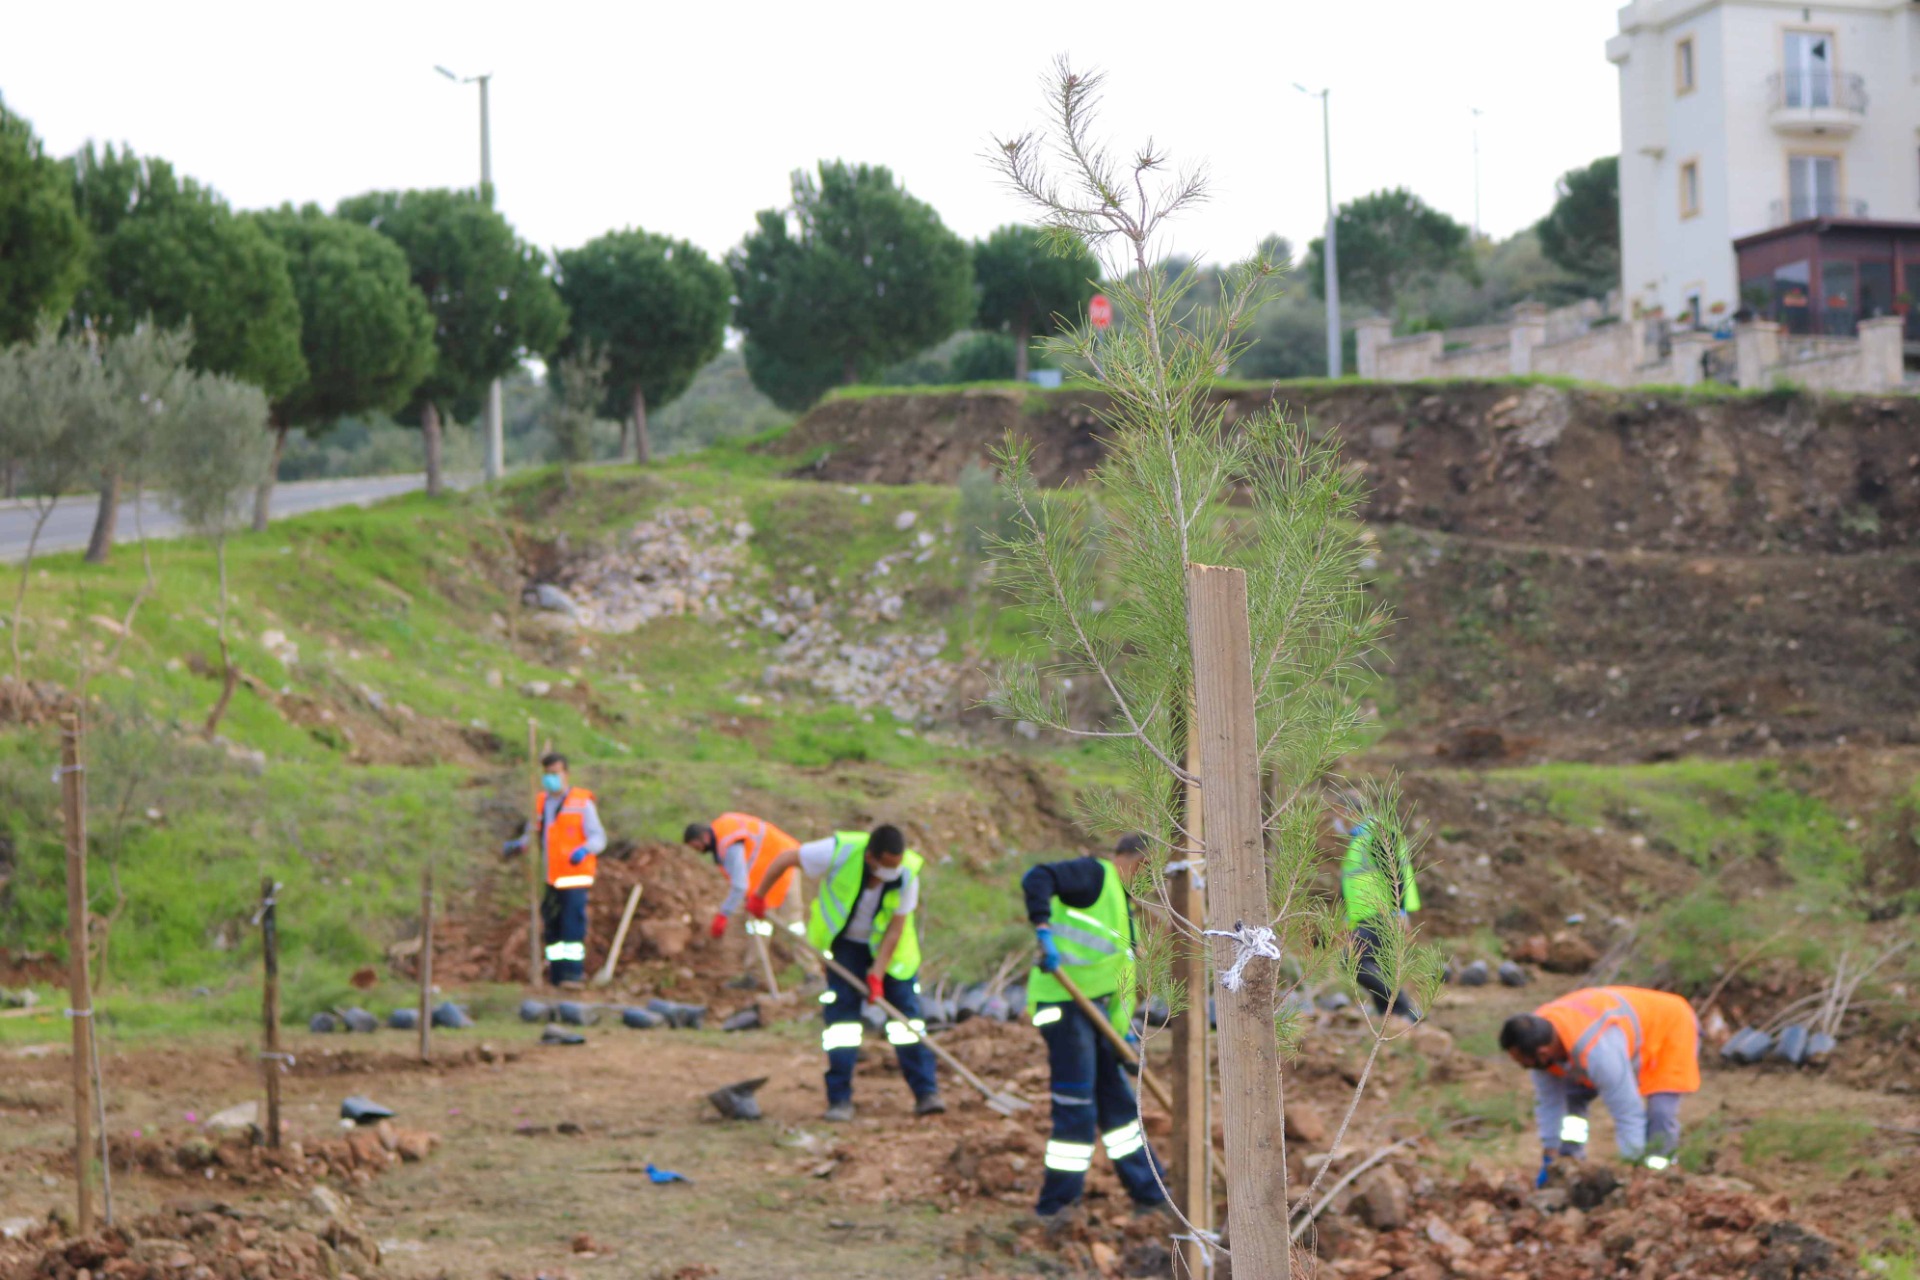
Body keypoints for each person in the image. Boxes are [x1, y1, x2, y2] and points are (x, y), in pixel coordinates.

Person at [748, 823, 944, 1122]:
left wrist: (877, 974)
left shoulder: (907, 874)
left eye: (897, 864)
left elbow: (895, 931)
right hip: (845, 948)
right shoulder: (838, 852)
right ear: (871, 857)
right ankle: (839, 1100)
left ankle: (926, 1093)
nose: (893, 871)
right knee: (842, 1026)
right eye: (887, 865)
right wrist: (760, 895)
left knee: (907, 1022)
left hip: (891, 954)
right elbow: (786, 859)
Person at [1021, 833, 1169, 1224]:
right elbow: (1037, 877)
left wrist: (1123, 1036)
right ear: (1136, 860)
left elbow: (1118, 978)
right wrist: (1043, 930)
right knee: (1077, 1107)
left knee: (1119, 1106)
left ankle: (1151, 1193)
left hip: (1098, 1016)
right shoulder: (1094, 875)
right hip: (1064, 1005)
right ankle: (1057, 1207)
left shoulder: (1123, 904)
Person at [1499, 985, 1702, 1184]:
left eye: (1521, 1062)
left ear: (1543, 1053)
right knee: (1572, 1100)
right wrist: (1550, 1155)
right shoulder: (1537, 1037)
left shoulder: (1599, 1052)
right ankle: (1571, 1160)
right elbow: (1549, 1103)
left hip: (1668, 1029)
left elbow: (1627, 1112)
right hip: (1615, 1036)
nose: (1521, 1067)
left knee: (1660, 1111)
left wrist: (1631, 1170)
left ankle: (1658, 1174)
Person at [504, 753, 607, 988]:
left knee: (572, 927)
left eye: (555, 773)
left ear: (566, 774)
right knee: (553, 928)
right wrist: (519, 845)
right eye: (547, 774)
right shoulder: (541, 803)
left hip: (574, 877)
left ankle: (573, 974)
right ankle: (557, 974)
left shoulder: (582, 803)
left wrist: (584, 850)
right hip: (550, 877)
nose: (551, 778)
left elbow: (598, 837)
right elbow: (533, 833)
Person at [683, 813, 802, 979]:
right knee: (759, 927)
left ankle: (812, 973)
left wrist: (724, 914)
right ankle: (755, 975)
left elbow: (739, 885)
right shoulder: (721, 835)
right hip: (765, 876)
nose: (698, 851)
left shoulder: (728, 841)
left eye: (696, 846)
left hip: (784, 865)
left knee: (793, 924)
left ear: (703, 837)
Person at [1340, 804, 1421, 1019]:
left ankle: (1405, 1009)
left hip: (1382, 913)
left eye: (1338, 814)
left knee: (1352, 959)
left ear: (1351, 812)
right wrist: (1347, 918)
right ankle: (1389, 1016)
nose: (1338, 821)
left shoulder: (1378, 834)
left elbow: (1395, 875)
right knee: (1377, 964)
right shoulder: (1359, 839)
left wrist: (1399, 912)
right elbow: (1352, 883)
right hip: (1366, 915)